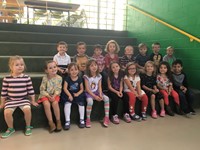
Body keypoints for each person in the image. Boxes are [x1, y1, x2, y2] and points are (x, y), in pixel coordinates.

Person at [0, 55, 38, 138]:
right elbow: (3, 93)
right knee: (7, 113)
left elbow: (31, 90)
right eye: (17, 65)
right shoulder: (7, 79)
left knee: (27, 110)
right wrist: (2, 103)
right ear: (11, 66)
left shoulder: (26, 78)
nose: (20, 66)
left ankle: (28, 126)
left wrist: (33, 101)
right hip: (11, 100)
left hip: (23, 99)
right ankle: (10, 128)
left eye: (21, 64)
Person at [37, 60, 62, 133]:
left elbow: (58, 89)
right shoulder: (45, 78)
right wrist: (48, 96)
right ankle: (51, 122)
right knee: (46, 104)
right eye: (50, 68)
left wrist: (54, 96)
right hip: (45, 94)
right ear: (46, 70)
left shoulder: (59, 78)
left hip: (55, 94)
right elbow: (42, 89)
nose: (53, 69)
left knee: (55, 103)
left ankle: (58, 121)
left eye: (55, 67)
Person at [84, 59, 110, 128]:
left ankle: (106, 117)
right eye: (91, 65)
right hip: (89, 93)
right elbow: (87, 89)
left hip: (97, 92)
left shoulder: (99, 76)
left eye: (95, 65)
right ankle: (88, 119)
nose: (94, 67)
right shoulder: (86, 76)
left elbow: (100, 87)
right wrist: (94, 97)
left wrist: (101, 94)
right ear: (88, 67)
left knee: (106, 98)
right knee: (90, 102)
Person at [61, 63, 85, 130]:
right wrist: (69, 95)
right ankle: (67, 121)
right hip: (69, 93)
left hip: (77, 93)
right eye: (72, 70)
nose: (74, 71)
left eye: (76, 69)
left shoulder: (80, 78)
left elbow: (82, 89)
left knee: (81, 104)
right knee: (67, 104)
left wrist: (77, 94)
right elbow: (65, 88)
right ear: (68, 71)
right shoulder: (67, 78)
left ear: (78, 70)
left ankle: (82, 119)